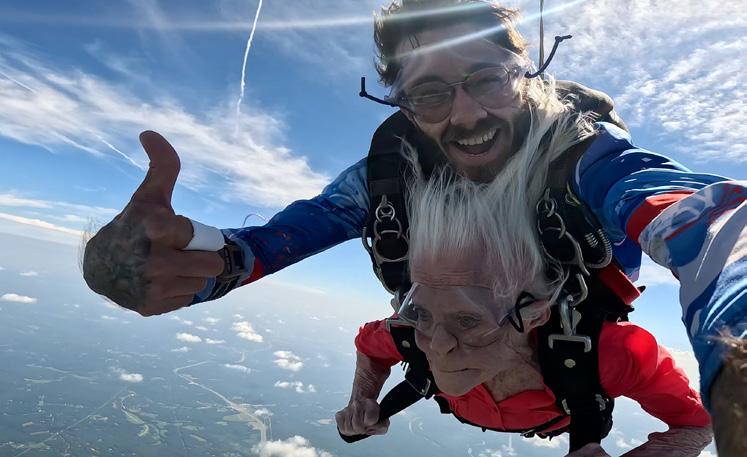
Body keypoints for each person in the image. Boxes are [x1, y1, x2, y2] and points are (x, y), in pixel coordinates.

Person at [82, 1, 745, 453]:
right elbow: (267, 245)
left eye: (488, 80)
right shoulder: (386, 180)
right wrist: (177, 263)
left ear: (525, 74)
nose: (466, 116)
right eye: (429, 94)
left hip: (553, 369)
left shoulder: (589, 161)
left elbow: (705, 223)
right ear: (402, 102)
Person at [336, 157, 713, 455]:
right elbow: (371, 346)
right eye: (420, 311)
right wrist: (361, 398)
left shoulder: (612, 353)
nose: (436, 343)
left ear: (535, 314)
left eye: (467, 320)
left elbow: (696, 425)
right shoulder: (407, 330)